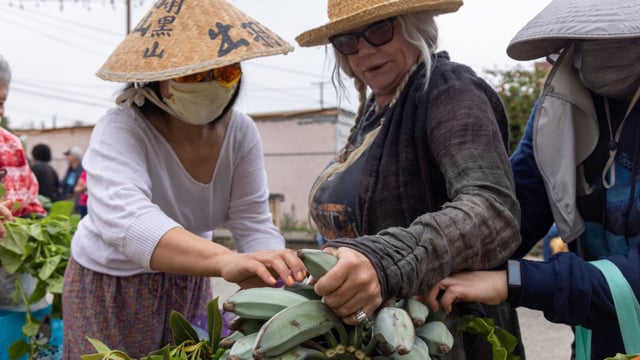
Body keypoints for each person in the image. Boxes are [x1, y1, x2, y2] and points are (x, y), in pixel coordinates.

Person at [61, 0, 307, 358]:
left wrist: (271, 271)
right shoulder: (121, 128)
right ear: (154, 79)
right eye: (192, 74)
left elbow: (252, 220)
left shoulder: (240, 133)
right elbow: (128, 222)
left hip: (188, 279)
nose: (209, 83)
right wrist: (225, 260)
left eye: (223, 72)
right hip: (110, 286)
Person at [295, 0, 522, 358]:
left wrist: (385, 261)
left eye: (380, 29)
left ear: (416, 23)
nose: (365, 49)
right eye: (348, 40)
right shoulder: (373, 111)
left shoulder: (450, 89)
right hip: (372, 337)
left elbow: (491, 212)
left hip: (444, 338)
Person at [427, 0, 640, 358]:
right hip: (598, 338)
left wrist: (514, 281)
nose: (595, 52)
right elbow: (511, 214)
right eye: (581, 42)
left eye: (619, 39)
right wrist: (419, 259)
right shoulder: (558, 113)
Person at [0, 54, 62, 359]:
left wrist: (33, 227)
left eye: (0, 102)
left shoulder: (10, 145)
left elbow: (33, 204)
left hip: (11, 277)